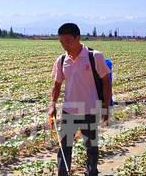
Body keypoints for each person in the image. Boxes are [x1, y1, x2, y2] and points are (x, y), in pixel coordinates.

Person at [48, 23, 111, 176]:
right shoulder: (62, 60)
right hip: (69, 111)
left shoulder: (94, 56)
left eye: (68, 41)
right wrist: (52, 104)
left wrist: (106, 106)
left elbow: (106, 82)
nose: (65, 46)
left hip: (90, 110)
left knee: (91, 148)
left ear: (78, 38)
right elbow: (57, 85)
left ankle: (91, 173)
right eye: (62, 42)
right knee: (64, 147)